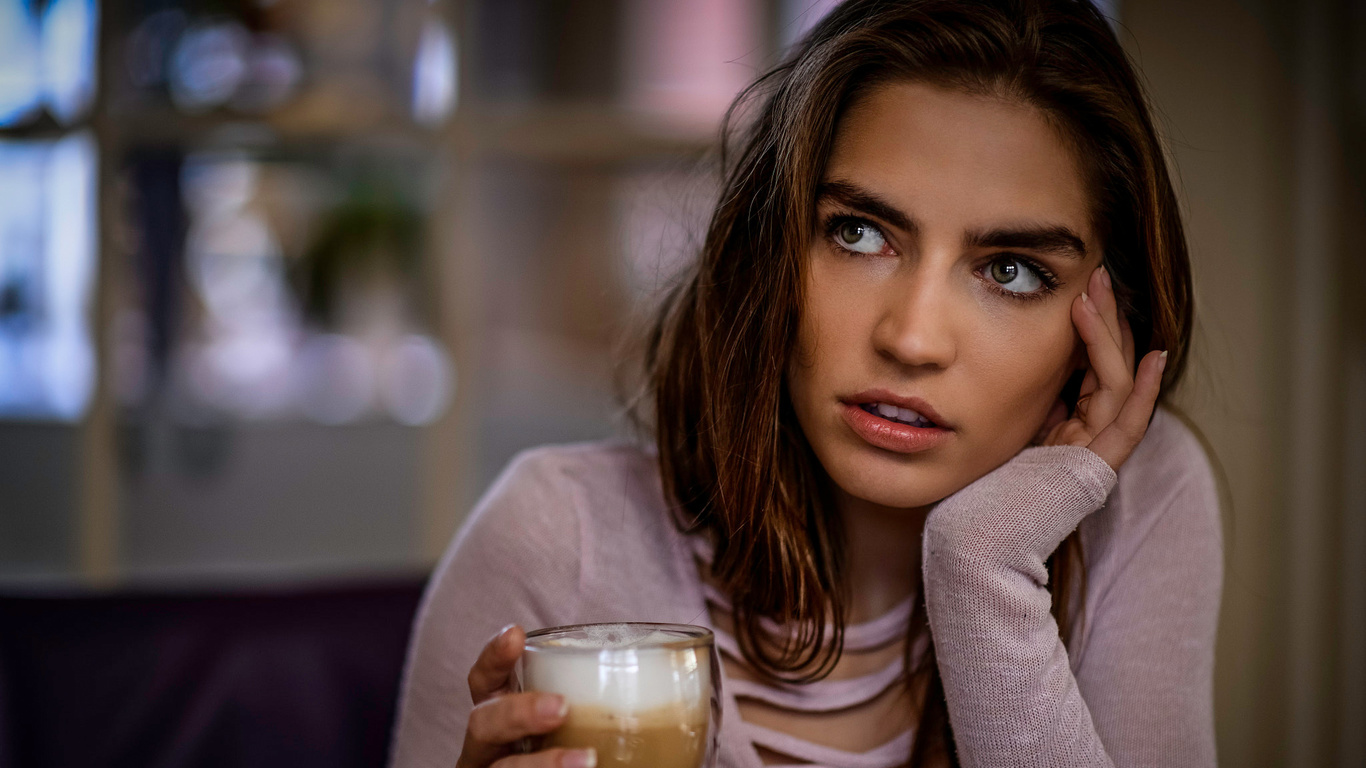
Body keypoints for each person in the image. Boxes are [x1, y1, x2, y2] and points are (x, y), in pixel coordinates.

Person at [388, 0, 1224, 766]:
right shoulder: (558, 542)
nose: (912, 338)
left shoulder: (1137, 499)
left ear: (1103, 326)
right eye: (858, 233)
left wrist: (983, 565)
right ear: (771, 248)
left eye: (1010, 270)